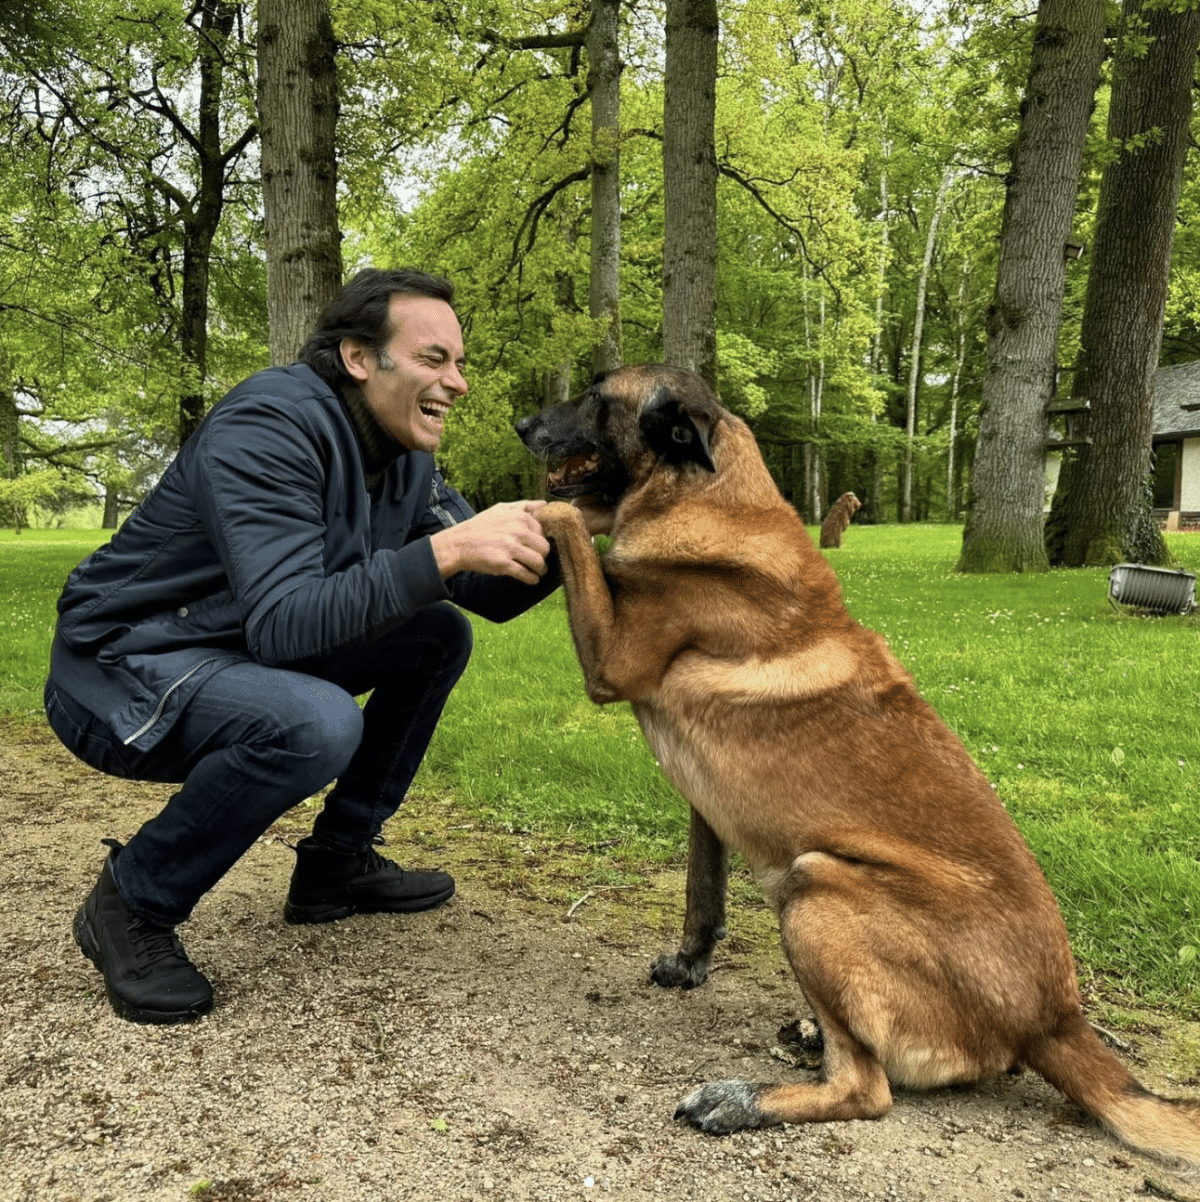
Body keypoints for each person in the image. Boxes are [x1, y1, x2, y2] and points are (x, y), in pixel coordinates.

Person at [45, 267, 570, 1026]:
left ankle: (335, 865)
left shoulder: (405, 453)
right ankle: (132, 900)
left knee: (435, 635)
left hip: (229, 651)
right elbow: (286, 622)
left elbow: (487, 595)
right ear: (360, 357)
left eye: (460, 364)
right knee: (315, 722)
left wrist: (590, 520)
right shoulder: (269, 425)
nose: (457, 383)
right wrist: (450, 550)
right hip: (123, 667)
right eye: (434, 359)